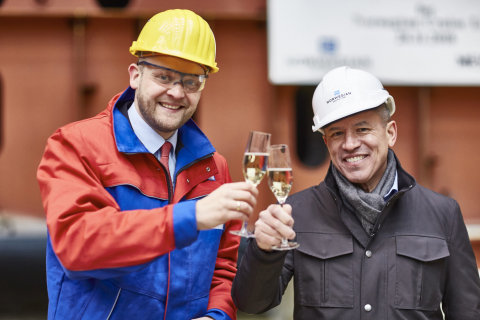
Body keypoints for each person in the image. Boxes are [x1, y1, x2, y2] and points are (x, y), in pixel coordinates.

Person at [37, 9, 257, 320]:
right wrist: (189, 217)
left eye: (191, 82)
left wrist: (216, 315)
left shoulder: (213, 167)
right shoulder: (77, 145)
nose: (177, 92)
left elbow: (222, 268)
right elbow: (78, 247)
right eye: (163, 76)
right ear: (135, 75)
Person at [232, 66, 480, 319]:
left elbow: (468, 311)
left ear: (390, 133)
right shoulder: (297, 213)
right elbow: (252, 304)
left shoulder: (443, 214)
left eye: (362, 129)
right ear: (327, 143)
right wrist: (263, 250)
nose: (350, 144)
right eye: (337, 133)